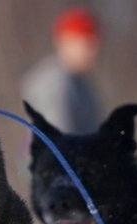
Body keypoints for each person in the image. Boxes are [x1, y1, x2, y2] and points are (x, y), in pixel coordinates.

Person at [20, 6, 102, 135]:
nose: (94, 50)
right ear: (65, 42)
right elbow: (57, 144)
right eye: (86, 42)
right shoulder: (54, 84)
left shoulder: (82, 86)